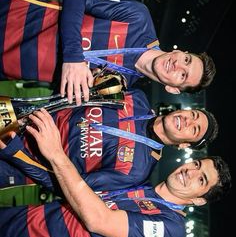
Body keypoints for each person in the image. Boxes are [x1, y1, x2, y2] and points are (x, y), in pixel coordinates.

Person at [0, 109, 231, 237]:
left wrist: (56, 155)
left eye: (201, 180)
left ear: (199, 201)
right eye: (197, 165)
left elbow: (98, 220)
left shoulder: (172, 229)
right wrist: (19, 154)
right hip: (15, 221)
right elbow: (67, 185)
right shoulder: (139, 187)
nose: (190, 172)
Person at [0, 0, 216, 105]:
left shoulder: (119, 87)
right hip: (10, 16)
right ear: (180, 52)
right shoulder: (139, 17)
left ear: (173, 89)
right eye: (186, 60)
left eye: (183, 76)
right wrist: (74, 57)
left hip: (8, 66)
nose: (177, 66)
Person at [0, 88, 218, 191]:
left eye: (194, 129)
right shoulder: (136, 98)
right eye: (193, 115)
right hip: (16, 116)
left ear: (183, 145)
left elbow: (72, 188)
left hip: (14, 160)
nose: (188, 120)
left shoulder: (138, 170)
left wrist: (16, 152)